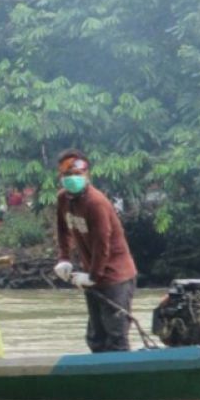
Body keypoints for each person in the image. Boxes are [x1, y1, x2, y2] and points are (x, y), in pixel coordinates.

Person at [51, 149, 138, 353]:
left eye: (77, 174)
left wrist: (93, 276)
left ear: (87, 175)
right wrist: (63, 258)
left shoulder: (96, 203)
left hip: (116, 276)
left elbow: (102, 244)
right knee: (96, 336)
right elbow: (63, 230)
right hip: (92, 273)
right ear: (60, 177)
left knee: (116, 335)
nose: (72, 179)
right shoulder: (63, 199)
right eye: (67, 175)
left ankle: (122, 379)